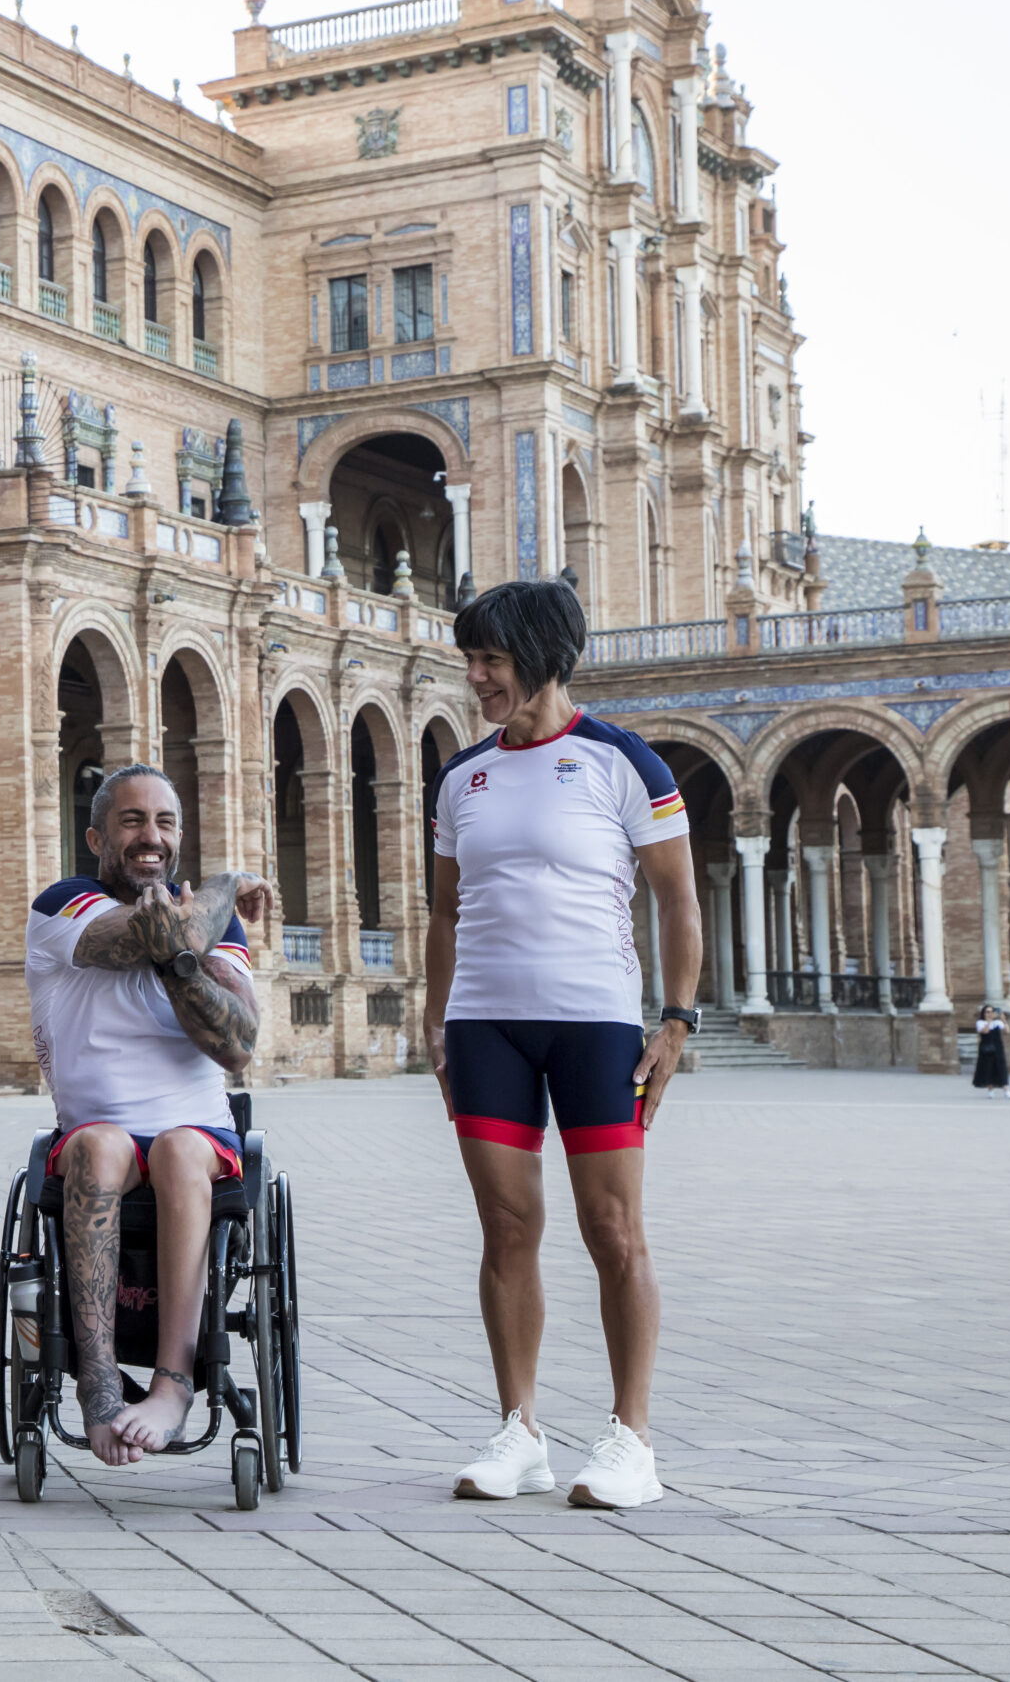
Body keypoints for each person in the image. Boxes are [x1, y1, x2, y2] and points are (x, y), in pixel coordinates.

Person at [425, 578, 702, 1512]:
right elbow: (444, 910)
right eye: (471, 661)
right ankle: (522, 1431)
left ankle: (631, 1439)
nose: (476, 678)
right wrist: (436, 1019)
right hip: (485, 1022)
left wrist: (677, 1018)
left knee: (612, 1231)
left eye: (490, 661)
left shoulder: (626, 763)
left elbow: (676, 898)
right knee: (506, 1229)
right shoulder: (462, 775)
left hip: (596, 1024)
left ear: (543, 656)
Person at [24, 765, 265, 1465]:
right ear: (98, 835)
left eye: (164, 822)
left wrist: (185, 958)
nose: (149, 837)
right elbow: (139, 934)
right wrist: (227, 884)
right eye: (132, 821)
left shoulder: (219, 928)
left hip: (195, 1135)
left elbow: (237, 1045)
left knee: (180, 1151)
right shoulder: (63, 905)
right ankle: (98, 1388)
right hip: (92, 1134)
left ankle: (172, 1383)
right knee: (101, 1147)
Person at [974, 1005, 1010, 1098]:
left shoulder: (997, 1023)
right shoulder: (980, 1022)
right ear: (983, 1013)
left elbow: (1007, 1031)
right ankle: (990, 1090)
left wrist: (1003, 1019)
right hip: (986, 1049)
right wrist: (989, 1021)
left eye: (991, 1012)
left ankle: (1006, 1090)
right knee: (988, 1069)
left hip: (998, 1048)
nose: (989, 1014)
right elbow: (985, 1031)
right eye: (987, 1012)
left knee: (1001, 1068)